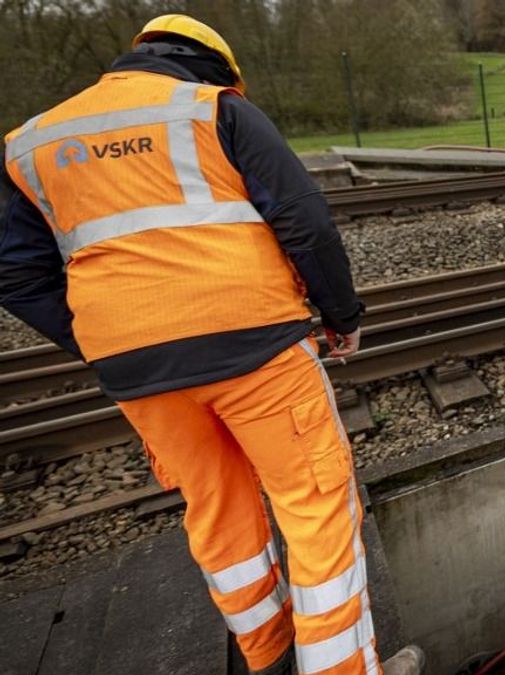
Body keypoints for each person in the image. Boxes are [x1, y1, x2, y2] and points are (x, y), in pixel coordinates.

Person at [1, 15, 379, 675]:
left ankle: (268, 654)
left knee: (217, 505)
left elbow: (14, 272)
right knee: (314, 500)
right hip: (256, 344)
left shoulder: (33, 141)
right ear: (215, 67)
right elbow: (304, 218)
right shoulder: (214, 109)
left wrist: (102, 335)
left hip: (139, 371)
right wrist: (341, 314)